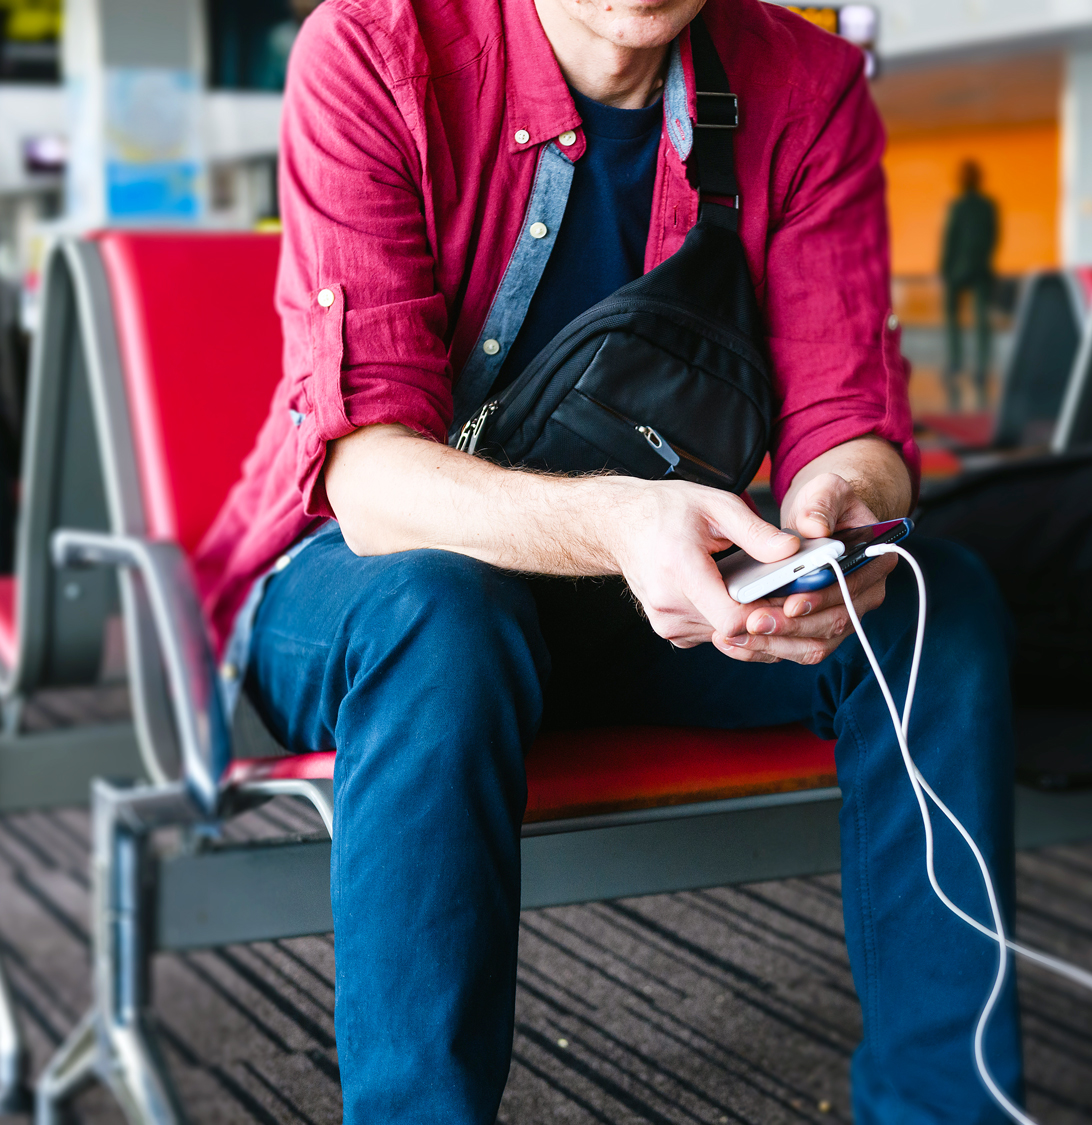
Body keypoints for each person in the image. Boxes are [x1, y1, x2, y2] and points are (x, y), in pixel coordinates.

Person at [195, 0, 1025, 1120]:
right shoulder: (379, 51)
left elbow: (849, 416)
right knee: (443, 610)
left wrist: (832, 516)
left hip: (642, 584)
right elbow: (374, 484)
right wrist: (619, 524)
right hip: (361, 582)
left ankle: (948, 1107)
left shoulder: (806, 85)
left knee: (935, 605)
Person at [941, 159, 1001, 413]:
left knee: (957, 319)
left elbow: (950, 239)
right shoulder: (987, 206)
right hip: (980, 269)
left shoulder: (959, 206)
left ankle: (958, 364)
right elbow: (993, 237)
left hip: (958, 270)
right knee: (980, 321)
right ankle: (980, 367)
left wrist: (945, 268)